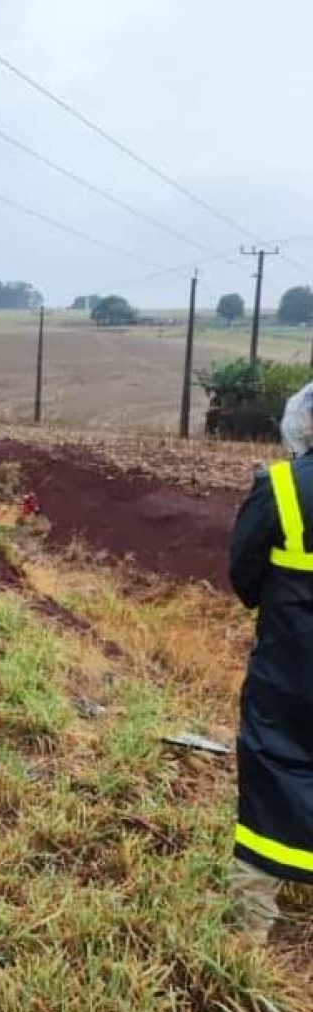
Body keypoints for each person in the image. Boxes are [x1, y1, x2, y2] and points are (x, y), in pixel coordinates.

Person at [229, 379, 313, 940]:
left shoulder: (281, 487)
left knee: (272, 770)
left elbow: (245, 574)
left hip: (291, 669)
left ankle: (251, 926)